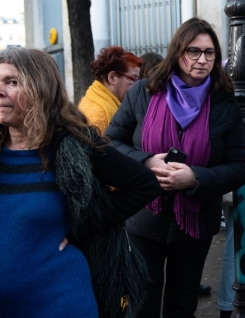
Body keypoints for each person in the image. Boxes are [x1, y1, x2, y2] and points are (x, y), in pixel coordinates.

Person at [105, 18, 245, 318]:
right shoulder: (143, 92)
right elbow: (110, 143)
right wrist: (146, 161)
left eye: (210, 53)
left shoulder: (224, 102)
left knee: (182, 304)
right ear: (177, 52)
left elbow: (241, 166)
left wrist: (195, 178)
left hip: (196, 224)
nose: (202, 60)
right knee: (142, 302)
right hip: (142, 217)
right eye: (193, 51)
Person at [0, 47, 161, 318]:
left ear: (41, 88)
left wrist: (83, 228)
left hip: (59, 303)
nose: (1, 90)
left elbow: (145, 185)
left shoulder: (72, 146)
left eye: (12, 82)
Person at [78, 46, 142, 134]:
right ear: (112, 77)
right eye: (133, 78)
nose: (136, 85)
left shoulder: (93, 99)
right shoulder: (101, 116)